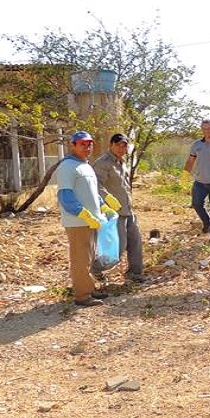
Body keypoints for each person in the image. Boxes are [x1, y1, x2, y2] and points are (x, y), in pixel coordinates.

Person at [56, 131, 117, 307]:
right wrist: (83, 213)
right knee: (80, 259)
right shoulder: (67, 166)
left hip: (92, 220)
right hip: (78, 222)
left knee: (89, 257)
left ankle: (89, 289)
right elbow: (65, 196)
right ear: (72, 145)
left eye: (89, 144)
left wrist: (103, 206)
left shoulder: (86, 165)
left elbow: (91, 193)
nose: (87, 147)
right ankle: (82, 296)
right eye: (82, 144)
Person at [92, 133, 145, 283]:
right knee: (118, 248)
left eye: (124, 146)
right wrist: (107, 198)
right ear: (111, 145)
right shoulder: (103, 163)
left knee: (135, 242)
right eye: (119, 145)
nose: (122, 148)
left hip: (127, 210)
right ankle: (95, 269)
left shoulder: (122, 162)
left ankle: (135, 274)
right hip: (113, 213)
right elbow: (95, 185)